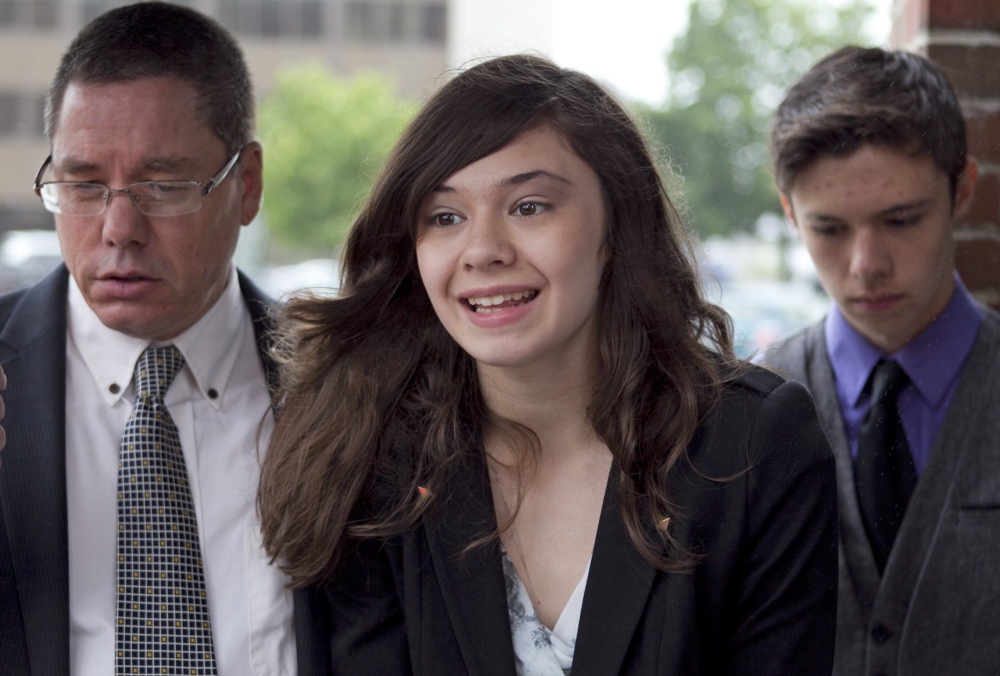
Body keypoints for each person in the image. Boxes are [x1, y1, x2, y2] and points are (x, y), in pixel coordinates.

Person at [259, 54, 838, 675]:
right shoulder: (367, 454)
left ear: (615, 226)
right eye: (445, 217)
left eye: (529, 206)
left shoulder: (752, 444)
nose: (482, 251)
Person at [0, 2, 328, 676]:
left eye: (163, 185)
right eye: (83, 185)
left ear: (247, 185)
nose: (119, 227)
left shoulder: (345, 386)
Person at [763, 46, 1000, 676]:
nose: (866, 264)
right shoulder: (747, 407)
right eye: (829, 229)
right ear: (790, 214)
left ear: (963, 191)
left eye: (901, 220)